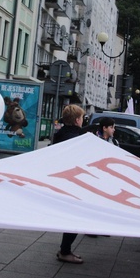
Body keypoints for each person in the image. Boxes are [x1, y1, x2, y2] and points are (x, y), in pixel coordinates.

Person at [52, 104, 86, 264]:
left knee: (73, 217)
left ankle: (65, 250)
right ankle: (65, 251)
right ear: (77, 120)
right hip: (75, 184)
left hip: (63, 182)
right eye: (82, 118)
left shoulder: (59, 135)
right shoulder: (79, 138)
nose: (83, 121)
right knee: (76, 217)